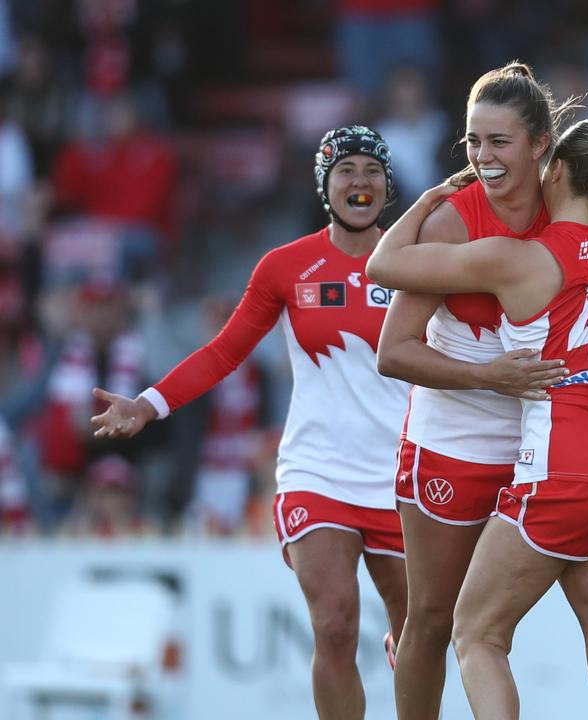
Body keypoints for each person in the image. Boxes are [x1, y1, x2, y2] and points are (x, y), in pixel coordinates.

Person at [371, 63, 588, 720]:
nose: (482, 157)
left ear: (544, 147)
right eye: (473, 141)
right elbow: (393, 352)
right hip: (456, 440)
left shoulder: (570, 207)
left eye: (498, 142)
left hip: (550, 444)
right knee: (430, 619)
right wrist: (489, 376)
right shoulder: (456, 221)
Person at [91, 126, 414, 720]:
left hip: (401, 476)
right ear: (325, 183)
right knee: (336, 624)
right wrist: (147, 404)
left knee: (418, 632)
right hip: (318, 472)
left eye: (372, 169)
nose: (359, 181)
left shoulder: (418, 262)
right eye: (346, 170)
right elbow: (223, 352)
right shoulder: (286, 267)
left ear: (387, 184)